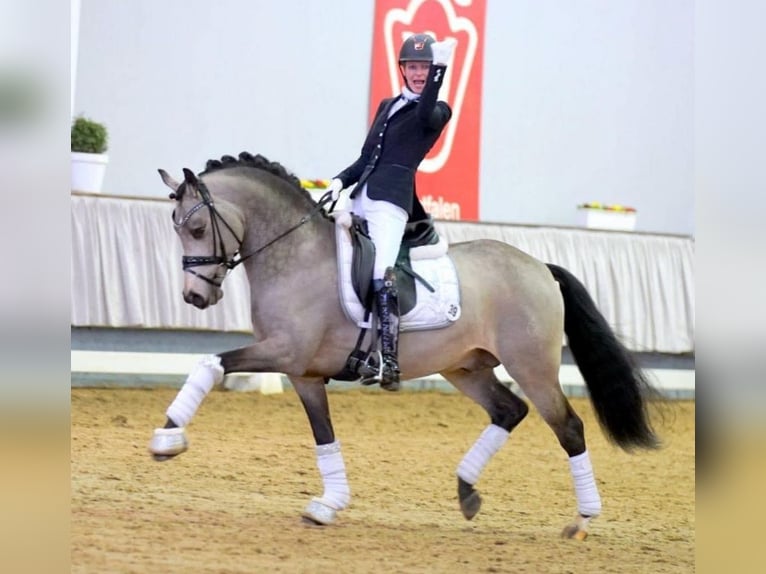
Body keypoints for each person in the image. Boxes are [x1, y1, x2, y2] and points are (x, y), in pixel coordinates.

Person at [327, 33, 457, 390]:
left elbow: (426, 108)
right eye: (413, 66)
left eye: (424, 67)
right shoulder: (387, 105)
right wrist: (339, 182)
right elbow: (367, 157)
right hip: (361, 196)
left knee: (381, 274)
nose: (418, 72)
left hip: (391, 204)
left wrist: (439, 70)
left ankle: (387, 359)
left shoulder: (438, 111)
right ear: (402, 69)